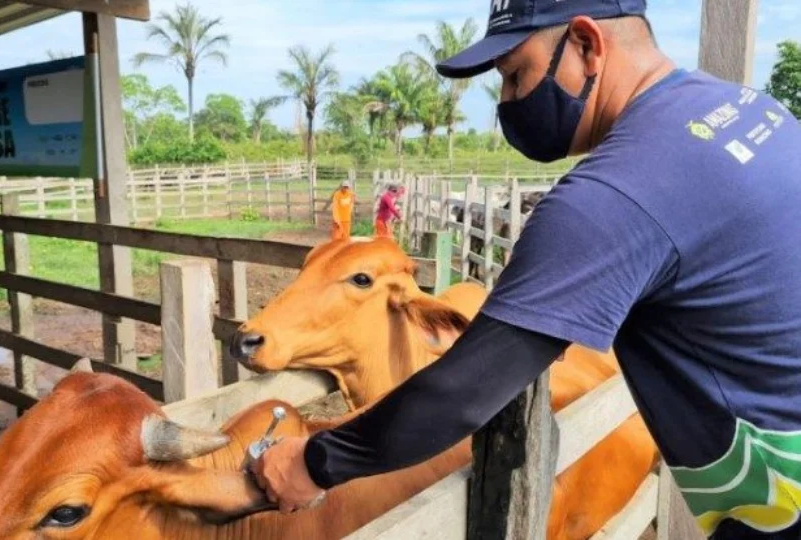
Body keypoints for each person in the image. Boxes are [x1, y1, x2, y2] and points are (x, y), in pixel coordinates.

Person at [251, 1, 801, 539]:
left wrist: (315, 463)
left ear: (586, 44)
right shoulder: (751, 111)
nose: (509, 101)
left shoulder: (612, 196)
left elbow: (465, 390)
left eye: (517, 75)